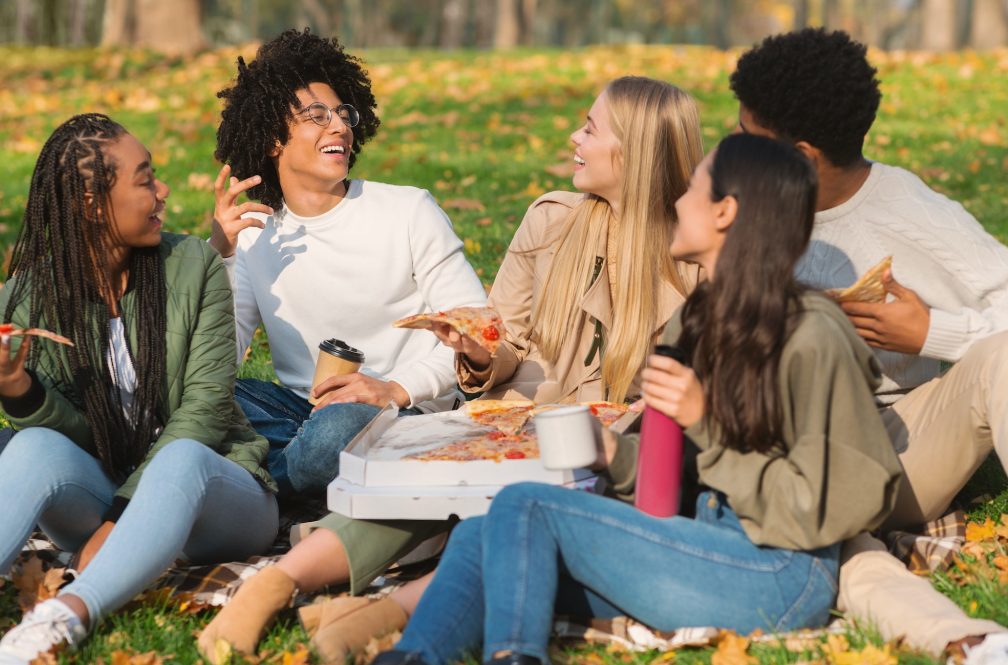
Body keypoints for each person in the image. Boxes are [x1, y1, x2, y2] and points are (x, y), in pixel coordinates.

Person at [197, 75, 704, 664]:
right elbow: (504, 335)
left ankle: (381, 610)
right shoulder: (552, 221)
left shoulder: (694, 253)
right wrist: (481, 354)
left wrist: (398, 388)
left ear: (636, 150)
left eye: (590, 128)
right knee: (428, 478)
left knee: (479, 505)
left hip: (612, 449)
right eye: (315, 115)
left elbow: (695, 389)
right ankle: (274, 582)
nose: (573, 135)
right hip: (517, 424)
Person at [372, 133, 903, 665]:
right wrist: (614, 454)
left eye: (693, 188)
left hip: (777, 577)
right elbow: (673, 481)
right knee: (483, 537)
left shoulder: (812, 335)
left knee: (523, 504)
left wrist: (704, 421)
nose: (677, 201)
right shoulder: (697, 320)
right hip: (699, 544)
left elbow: (831, 506)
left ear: (725, 211)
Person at [729, 28, 1008, 660]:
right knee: (836, 554)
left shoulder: (908, 213)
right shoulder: (738, 205)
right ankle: (973, 646)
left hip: (898, 445)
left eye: (749, 138)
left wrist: (930, 333)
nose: (733, 148)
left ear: (801, 156)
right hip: (793, 461)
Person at [0, 114, 278, 665]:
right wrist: (19, 390)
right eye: (145, 179)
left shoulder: (194, 266)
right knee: (29, 448)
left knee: (183, 456)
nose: (162, 191)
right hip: (106, 494)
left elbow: (206, 411)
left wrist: (120, 517)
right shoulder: (29, 295)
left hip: (218, 501)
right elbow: (77, 439)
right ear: (93, 205)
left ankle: (62, 619)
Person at [208, 28, 488, 500]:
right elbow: (219, 366)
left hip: (404, 414)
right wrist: (223, 257)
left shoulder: (407, 210)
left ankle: (261, 485)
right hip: (300, 414)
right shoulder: (254, 238)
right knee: (196, 403)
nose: (338, 126)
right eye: (317, 115)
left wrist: (393, 389)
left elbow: (475, 330)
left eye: (343, 113)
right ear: (274, 137)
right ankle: (315, 482)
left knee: (330, 439)